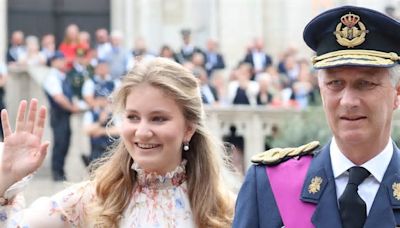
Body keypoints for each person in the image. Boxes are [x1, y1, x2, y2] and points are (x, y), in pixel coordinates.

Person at [0, 57, 234, 227]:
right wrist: (7, 178)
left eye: (158, 119)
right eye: (132, 117)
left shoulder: (226, 209)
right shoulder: (91, 198)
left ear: (189, 128)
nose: (142, 132)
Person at [233, 5, 400, 228]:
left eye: (365, 83)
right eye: (335, 83)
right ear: (321, 91)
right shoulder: (270, 184)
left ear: (397, 93)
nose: (348, 101)